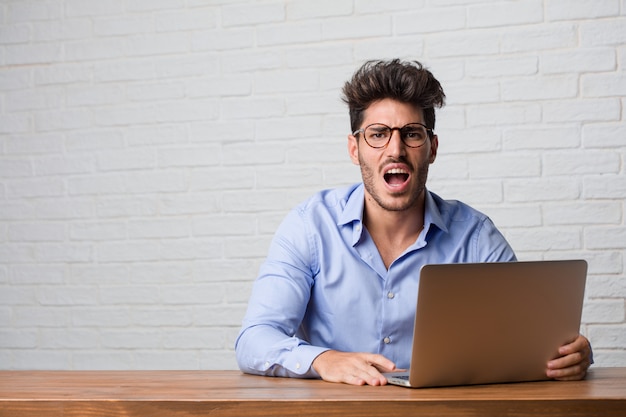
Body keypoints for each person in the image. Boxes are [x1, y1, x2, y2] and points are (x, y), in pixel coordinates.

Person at [235, 59, 592, 386]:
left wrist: (570, 356)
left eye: (412, 133)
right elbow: (255, 339)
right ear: (354, 148)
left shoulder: (475, 236)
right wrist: (324, 359)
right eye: (378, 134)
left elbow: (526, 340)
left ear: (432, 148)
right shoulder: (309, 226)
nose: (395, 149)